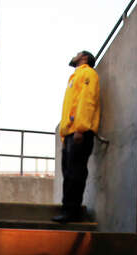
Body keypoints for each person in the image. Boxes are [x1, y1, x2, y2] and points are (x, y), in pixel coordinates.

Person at [52, 50, 101, 224]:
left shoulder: (88, 74)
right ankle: (67, 209)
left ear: (84, 57)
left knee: (76, 173)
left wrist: (81, 128)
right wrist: (65, 136)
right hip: (70, 134)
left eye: (77, 53)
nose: (74, 56)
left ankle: (72, 212)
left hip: (80, 132)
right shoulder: (75, 77)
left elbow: (87, 101)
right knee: (68, 173)